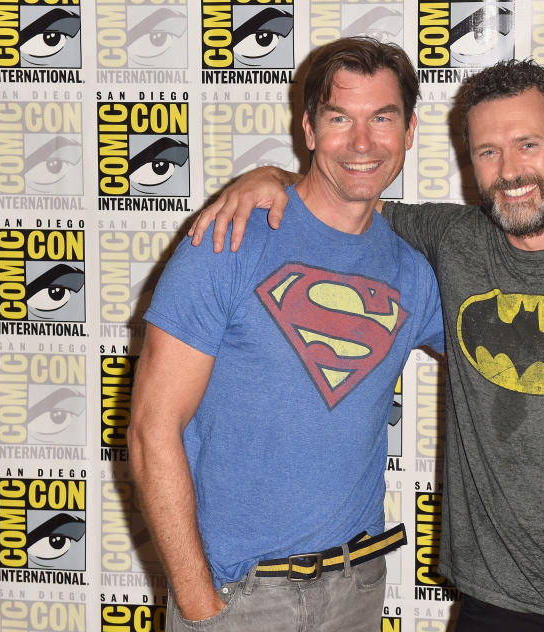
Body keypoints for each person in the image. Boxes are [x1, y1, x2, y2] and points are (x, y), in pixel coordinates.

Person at [194, 58, 544, 632]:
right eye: (488, 151)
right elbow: (345, 189)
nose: (509, 170)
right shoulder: (453, 240)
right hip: (489, 606)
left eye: (528, 144)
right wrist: (265, 178)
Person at [128, 38, 448, 632]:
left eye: (382, 118)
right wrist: (200, 606)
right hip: (237, 595)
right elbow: (152, 431)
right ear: (308, 128)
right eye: (339, 118)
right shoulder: (228, 241)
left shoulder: (414, 274)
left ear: (408, 131)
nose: (361, 142)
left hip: (357, 589)